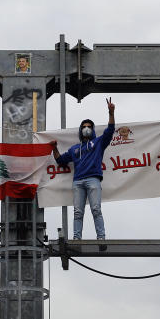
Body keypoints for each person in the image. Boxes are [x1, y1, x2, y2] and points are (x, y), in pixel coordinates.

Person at [51, 97, 116, 244]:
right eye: (84, 126)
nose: (86, 128)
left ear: (92, 130)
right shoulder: (74, 149)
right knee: (78, 212)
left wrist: (111, 112)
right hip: (78, 182)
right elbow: (60, 160)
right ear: (81, 130)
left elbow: (110, 130)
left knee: (96, 209)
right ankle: (77, 238)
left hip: (93, 179)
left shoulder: (98, 142)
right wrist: (54, 148)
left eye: (89, 126)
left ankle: (101, 238)